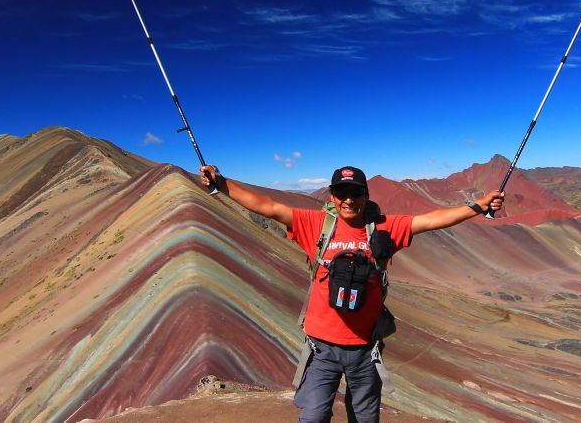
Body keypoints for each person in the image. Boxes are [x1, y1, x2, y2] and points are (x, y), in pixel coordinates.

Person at [199, 164, 504, 423]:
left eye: (355, 193)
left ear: (366, 195)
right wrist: (222, 184)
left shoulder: (385, 228)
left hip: (364, 351)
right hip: (321, 350)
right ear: (332, 196)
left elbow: (430, 220)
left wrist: (478, 206)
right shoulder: (316, 225)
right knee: (314, 416)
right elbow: (268, 206)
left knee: (364, 418)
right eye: (341, 194)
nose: (348, 200)